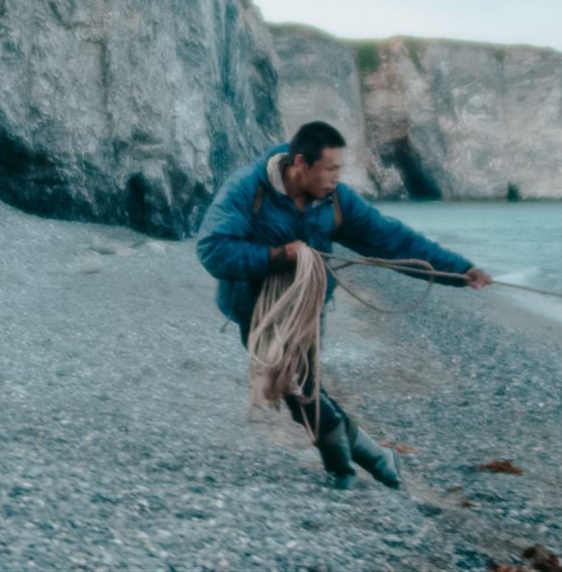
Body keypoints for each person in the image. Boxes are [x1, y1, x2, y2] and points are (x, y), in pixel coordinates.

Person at [197, 121, 492, 489]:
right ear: (301, 163)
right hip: (254, 308)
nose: (338, 177)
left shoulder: (337, 201)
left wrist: (459, 271)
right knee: (296, 385)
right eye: (331, 169)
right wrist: (278, 256)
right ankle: (371, 457)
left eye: (341, 169)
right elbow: (213, 250)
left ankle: (344, 467)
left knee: (299, 385)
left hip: (306, 308)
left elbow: (393, 240)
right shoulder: (248, 189)